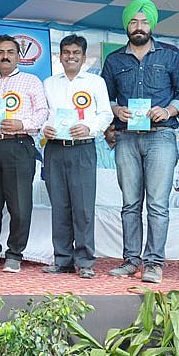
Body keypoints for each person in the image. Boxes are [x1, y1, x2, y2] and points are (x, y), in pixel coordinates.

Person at [102, 0, 179, 283]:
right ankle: (131, 260)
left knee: (157, 204)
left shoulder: (170, 55)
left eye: (143, 22)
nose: (138, 27)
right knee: (130, 203)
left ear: (152, 25)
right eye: (133, 21)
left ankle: (154, 263)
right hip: (126, 137)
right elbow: (102, 97)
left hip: (162, 137)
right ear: (126, 26)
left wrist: (167, 110)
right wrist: (116, 110)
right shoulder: (114, 60)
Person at [0, 34, 49, 273]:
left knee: (19, 204)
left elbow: (42, 113)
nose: (5, 56)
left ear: (18, 57)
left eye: (10, 52)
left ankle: (15, 254)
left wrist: (22, 124)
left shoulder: (32, 81)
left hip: (19, 145)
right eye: (0, 53)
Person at [40, 34, 112, 279]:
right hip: (55, 148)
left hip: (82, 148)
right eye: (66, 52)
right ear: (60, 56)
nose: (71, 56)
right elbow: (41, 114)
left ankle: (85, 261)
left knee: (82, 207)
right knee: (59, 205)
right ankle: (62, 260)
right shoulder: (49, 83)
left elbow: (105, 114)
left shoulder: (95, 83)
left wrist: (89, 128)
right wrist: (43, 129)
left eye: (76, 53)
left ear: (83, 57)